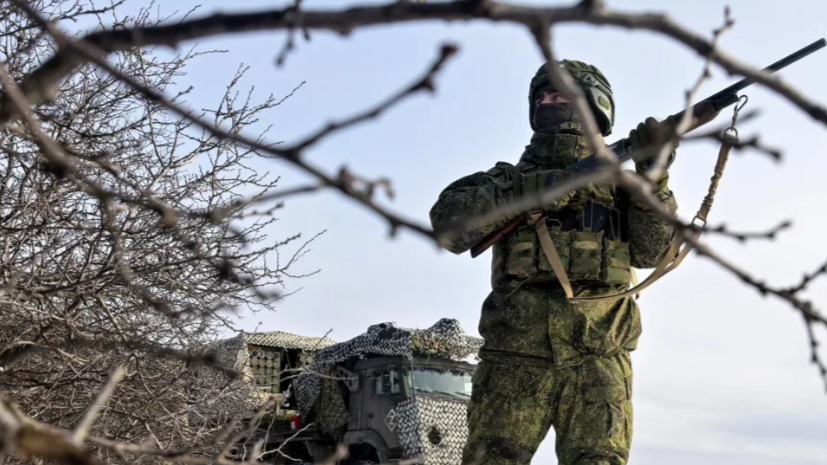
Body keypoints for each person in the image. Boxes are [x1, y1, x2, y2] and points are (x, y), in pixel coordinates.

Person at [428, 60, 679, 465]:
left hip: (600, 355)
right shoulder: (504, 180)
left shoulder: (622, 188)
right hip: (514, 355)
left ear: (595, 107)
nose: (548, 103)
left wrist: (655, 177)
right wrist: (537, 189)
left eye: (559, 95)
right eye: (541, 97)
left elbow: (652, 253)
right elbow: (449, 227)